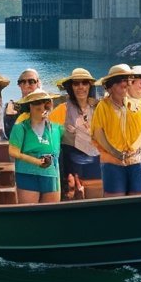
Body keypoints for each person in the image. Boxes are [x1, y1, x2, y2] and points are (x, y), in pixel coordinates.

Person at [90, 64, 141, 197]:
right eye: (120, 80)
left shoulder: (139, 104)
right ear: (110, 86)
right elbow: (98, 133)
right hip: (113, 162)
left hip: (138, 161)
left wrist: (133, 147)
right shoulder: (103, 106)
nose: (125, 83)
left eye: (127, 80)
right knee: (115, 201)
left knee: (138, 201)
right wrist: (115, 153)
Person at [51, 68, 101, 200]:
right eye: (76, 84)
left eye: (84, 83)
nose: (80, 87)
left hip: (97, 160)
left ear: (89, 86)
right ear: (70, 87)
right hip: (71, 163)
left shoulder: (99, 108)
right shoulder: (61, 109)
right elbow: (51, 138)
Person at [7, 89, 63, 203]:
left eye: (46, 102)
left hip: (51, 174)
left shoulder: (57, 128)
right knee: (29, 215)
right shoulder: (20, 127)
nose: (42, 106)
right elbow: (13, 152)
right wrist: (37, 162)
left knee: (51, 216)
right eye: (37, 102)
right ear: (29, 106)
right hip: (27, 174)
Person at [3, 68, 40, 137]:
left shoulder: (45, 104)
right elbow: (10, 134)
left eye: (31, 81)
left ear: (38, 83)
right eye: (23, 82)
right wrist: (9, 116)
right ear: (19, 85)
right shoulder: (13, 107)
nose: (26, 85)